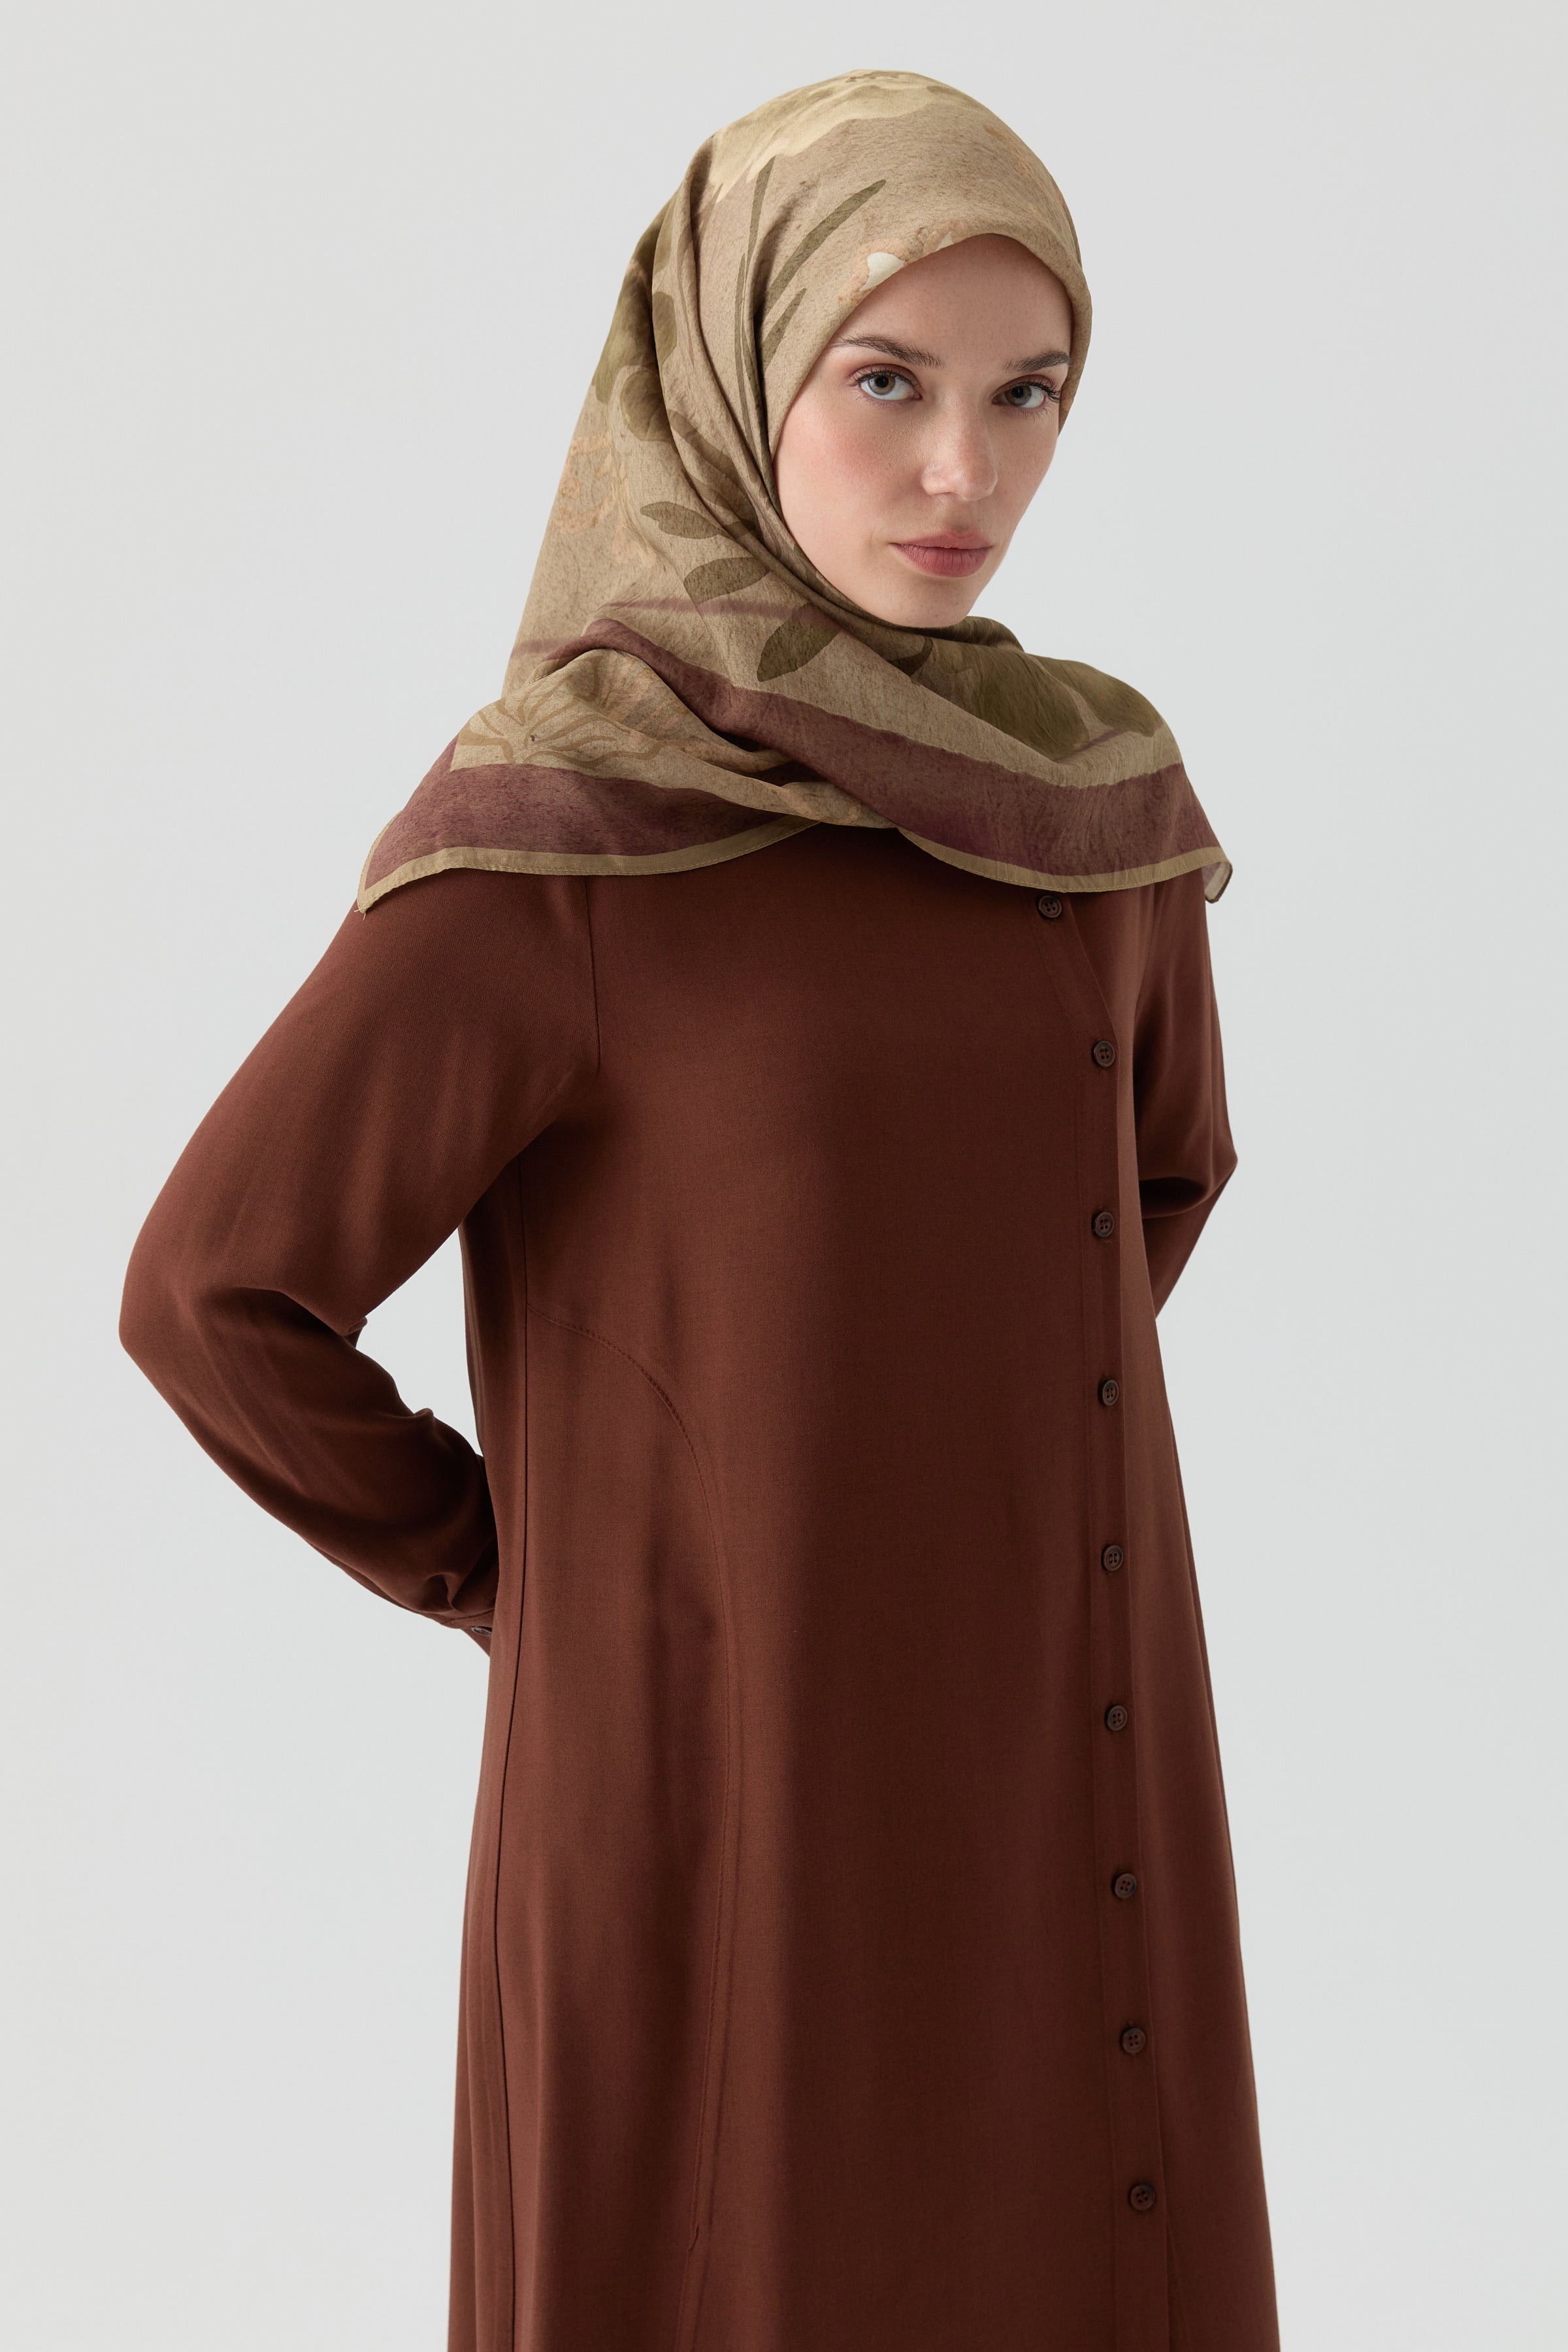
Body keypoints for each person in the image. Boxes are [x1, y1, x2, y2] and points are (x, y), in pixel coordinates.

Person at [122, 70, 1277, 2352]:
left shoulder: (1091, 809)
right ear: (732, 373)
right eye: (888, 381)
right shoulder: (574, 823)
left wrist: (933, 1459)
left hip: (1055, 1726)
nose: (966, 476)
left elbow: (1155, 1176)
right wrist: (525, 1569)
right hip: (706, 1773)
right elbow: (213, 1290)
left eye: (1028, 393)